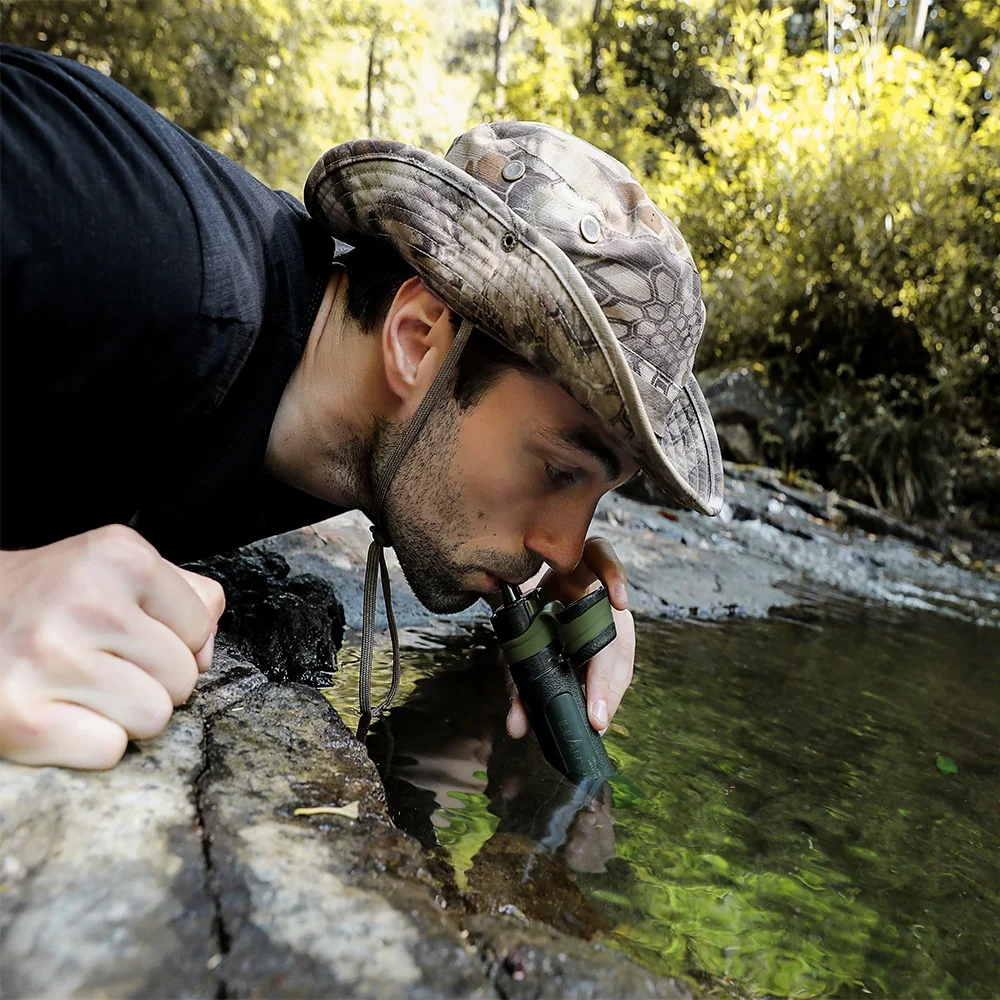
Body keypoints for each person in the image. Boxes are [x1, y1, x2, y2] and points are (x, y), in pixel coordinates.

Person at [0, 44, 723, 770]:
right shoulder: (150, 256)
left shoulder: (344, 433)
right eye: (561, 469)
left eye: (601, 495)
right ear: (416, 339)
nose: (567, 547)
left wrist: (539, 600)